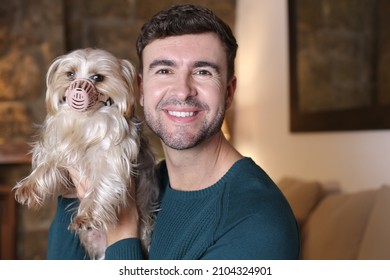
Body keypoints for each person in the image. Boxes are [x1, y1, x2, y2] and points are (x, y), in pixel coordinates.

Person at [47, 4, 300, 260]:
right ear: (141, 90)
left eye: (203, 72)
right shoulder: (148, 181)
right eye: (164, 71)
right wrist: (73, 187)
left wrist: (122, 230)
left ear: (229, 92)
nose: (182, 91)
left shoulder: (257, 222)